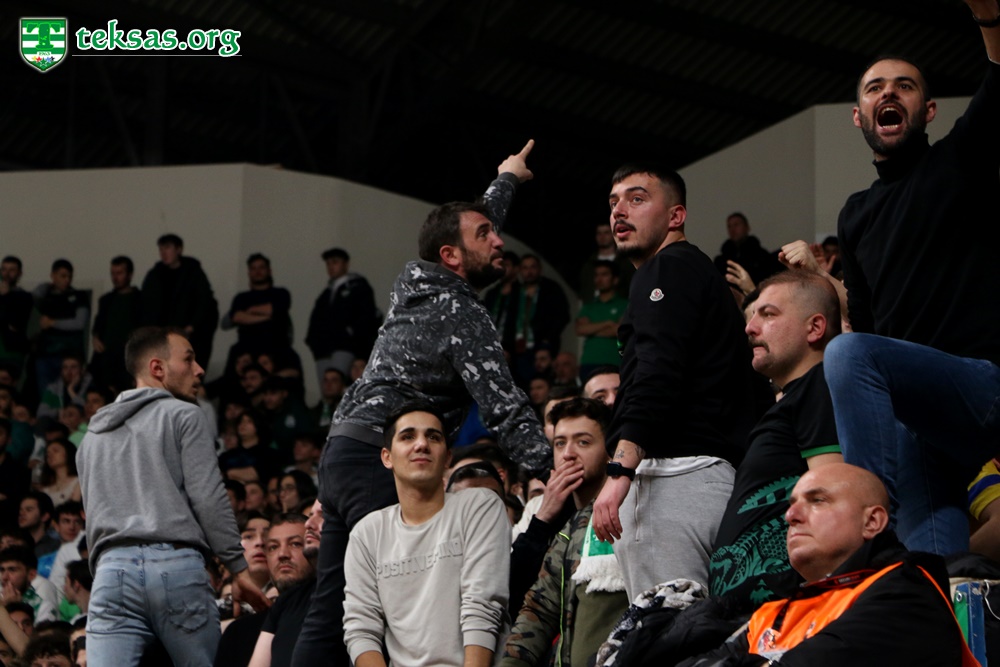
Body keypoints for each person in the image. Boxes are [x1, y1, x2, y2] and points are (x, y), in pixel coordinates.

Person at [293, 141, 550, 667]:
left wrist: (505, 179)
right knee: (393, 609)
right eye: (487, 236)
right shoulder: (461, 312)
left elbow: (464, 228)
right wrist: (563, 472)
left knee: (332, 610)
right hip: (382, 460)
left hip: (342, 451)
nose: (499, 241)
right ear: (451, 257)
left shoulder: (416, 284)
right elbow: (504, 408)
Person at [823, 1, 1000, 556]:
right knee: (929, 570)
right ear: (859, 116)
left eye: (905, 86)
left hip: (982, 385)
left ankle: (864, 520)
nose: (890, 93)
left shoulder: (959, 160)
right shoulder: (854, 214)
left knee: (847, 354)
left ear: (929, 110)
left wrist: (990, 21)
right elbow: (868, 322)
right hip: (923, 421)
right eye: (875, 88)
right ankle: (903, 574)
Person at [593, 164, 764, 601]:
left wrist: (620, 470)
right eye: (613, 202)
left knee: (665, 634)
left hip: (674, 481)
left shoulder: (666, 268)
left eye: (637, 199)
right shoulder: (694, 272)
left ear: (676, 216)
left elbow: (656, 371)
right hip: (710, 481)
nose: (619, 211)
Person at [77, 326, 268, 665]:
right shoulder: (184, 414)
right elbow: (209, 498)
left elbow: (91, 517)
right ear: (157, 368)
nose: (200, 370)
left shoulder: (91, 437)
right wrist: (238, 569)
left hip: (110, 571)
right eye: (189, 359)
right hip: (175, 566)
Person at [679, 464, 978, 667]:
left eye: (818, 500)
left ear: (872, 522)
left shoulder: (907, 593)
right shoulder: (774, 611)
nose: (791, 516)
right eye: (791, 504)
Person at [709, 271, 843, 609]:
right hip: (757, 615)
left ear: (815, 327)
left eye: (768, 314)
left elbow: (832, 494)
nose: (750, 328)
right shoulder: (799, 397)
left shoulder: (819, 386)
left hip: (791, 612)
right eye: (752, 315)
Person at [343, 403, 510, 667]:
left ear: (447, 458)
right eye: (408, 436)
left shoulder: (479, 505)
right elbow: (361, 629)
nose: (421, 444)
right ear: (387, 457)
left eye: (433, 437)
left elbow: (483, 605)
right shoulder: (367, 533)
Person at [503, 398, 628, 667]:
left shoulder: (628, 513)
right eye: (560, 443)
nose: (568, 454)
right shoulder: (559, 521)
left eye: (583, 442)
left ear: (611, 452)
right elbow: (532, 606)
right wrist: (542, 520)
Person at [247, 500, 324, 667]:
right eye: (273, 547)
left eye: (295, 544)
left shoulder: (341, 590)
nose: (282, 554)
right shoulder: (241, 629)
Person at [140, 234, 219, 369]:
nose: (163, 253)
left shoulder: (193, 273)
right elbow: (147, 305)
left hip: (190, 335)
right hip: (162, 337)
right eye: (161, 249)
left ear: (178, 249)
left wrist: (192, 326)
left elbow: (204, 302)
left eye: (167, 248)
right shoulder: (155, 275)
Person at [304, 248, 379, 382]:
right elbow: (315, 321)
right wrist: (314, 342)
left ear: (346, 264)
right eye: (328, 263)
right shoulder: (326, 294)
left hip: (345, 347)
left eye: (335, 262)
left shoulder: (358, 287)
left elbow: (366, 316)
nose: (330, 267)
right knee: (327, 386)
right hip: (323, 351)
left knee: (339, 382)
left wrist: (351, 336)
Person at [501, 254, 571, 385]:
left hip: (542, 348)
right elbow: (509, 321)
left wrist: (547, 342)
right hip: (517, 350)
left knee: (541, 385)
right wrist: (506, 347)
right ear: (520, 270)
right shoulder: (515, 291)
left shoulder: (551, 288)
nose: (529, 271)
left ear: (540, 269)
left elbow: (562, 316)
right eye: (525, 268)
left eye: (533, 267)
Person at [32, 260, 89, 397]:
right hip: (45, 354)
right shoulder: (47, 295)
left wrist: (53, 323)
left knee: (69, 393)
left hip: (68, 356)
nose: (67, 280)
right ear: (53, 276)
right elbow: (35, 295)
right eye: (63, 276)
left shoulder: (79, 296)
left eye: (69, 276)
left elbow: (79, 323)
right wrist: (47, 286)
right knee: (47, 396)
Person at [221, 253, 293, 358]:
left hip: (277, 349)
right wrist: (267, 318)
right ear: (249, 273)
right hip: (246, 350)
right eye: (253, 268)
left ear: (269, 271)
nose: (257, 271)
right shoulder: (241, 297)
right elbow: (237, 317)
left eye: (261, 267)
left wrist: (251, 310)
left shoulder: (281, 293)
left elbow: (276, 309)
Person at [90, 256, 142, 395]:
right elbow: (98, 324)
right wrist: (95, 337)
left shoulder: (140, 300)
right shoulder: (106, 300)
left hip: (128, 360)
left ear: (129, 274)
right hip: (106, 359)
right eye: (113, 273)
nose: (115, 277)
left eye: (119, 273)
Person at [575, 260, 628, 380]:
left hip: (614, 361)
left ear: (615, 279)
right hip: (589, 361)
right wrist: (607, 323)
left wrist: (591, 329)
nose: (599, 279)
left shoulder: (624, 304)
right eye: (596, 275)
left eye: (604, 274)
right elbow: (580, 329)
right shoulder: (588, 306)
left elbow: (619, 331)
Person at [712, 212, 782, 286]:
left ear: (747, 227)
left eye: (736, 225)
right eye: (729, 226)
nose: (732, 229)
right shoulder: (721, 261)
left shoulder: (761, 257)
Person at [0, 546, 58, 624]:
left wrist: (11, 607)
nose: (4, 577)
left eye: (12, 570)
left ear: (31, 575)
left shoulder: (44, 607)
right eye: (2, 570)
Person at [578, 222, 635, 301]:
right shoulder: (589, 264)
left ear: (613, 234)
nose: (602, 237)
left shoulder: (625, 263)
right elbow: (584, 288)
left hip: (619, 306)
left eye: (606, 233)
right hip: (593, 305)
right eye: (599, 233)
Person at [0, 256, 33, 372]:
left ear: (19, 273)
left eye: (11, 270)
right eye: (4, 269)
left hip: (11, 351)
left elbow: (15, 323)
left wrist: (5, 296)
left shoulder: (24, 297)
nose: (7, 274)